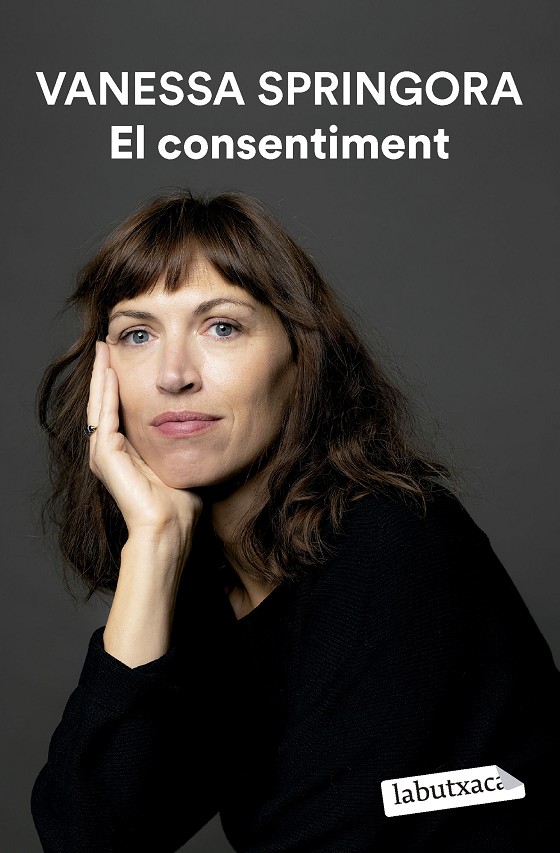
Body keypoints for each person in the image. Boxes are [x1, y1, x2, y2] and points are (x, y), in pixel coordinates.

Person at [31, 190, 559, 852]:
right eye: (139, 334)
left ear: (299, 354)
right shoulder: (207, 593)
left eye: (222, 327)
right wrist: (154, 545)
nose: (173, 375)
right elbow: (88, 837)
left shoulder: (393, 542)